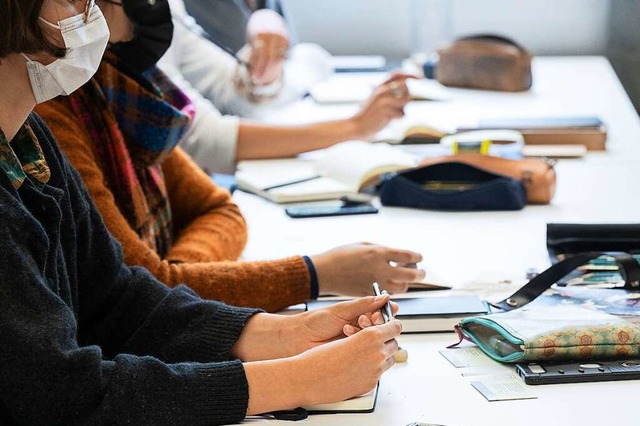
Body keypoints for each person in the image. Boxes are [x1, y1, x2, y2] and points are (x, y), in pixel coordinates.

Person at [0, 0, 403, 423]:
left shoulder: (31, 140)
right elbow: (59, 393)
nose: (95, 11)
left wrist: (288, 334)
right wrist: (297, 380)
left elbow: (117, 299)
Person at [36, 0, 425, 313]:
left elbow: (219, 213)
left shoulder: (110, 86)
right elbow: (146, 287)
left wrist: (182, 277)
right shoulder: (56, 111)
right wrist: (314, 274)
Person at [158, 0, 415, 174]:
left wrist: (261, 70)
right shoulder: (131, 14)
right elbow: (205, 140)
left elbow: (238, 96)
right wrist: (354, 127)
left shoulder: (169, 7)